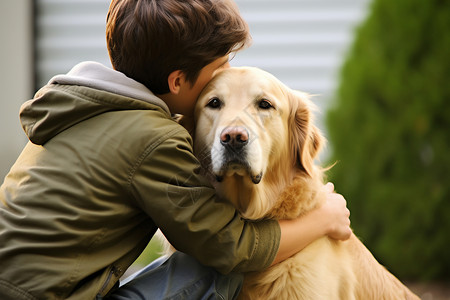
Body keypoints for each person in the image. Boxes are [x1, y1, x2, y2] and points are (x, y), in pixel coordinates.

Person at [0, 0, 351, 299]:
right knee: (215, 265)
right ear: (178, 81)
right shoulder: (154, 137)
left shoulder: (83, 107)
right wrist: (324, 218)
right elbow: (228, 248)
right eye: (220, 67)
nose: (227, 72)